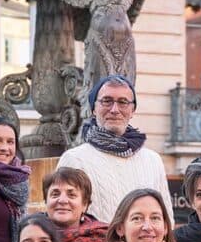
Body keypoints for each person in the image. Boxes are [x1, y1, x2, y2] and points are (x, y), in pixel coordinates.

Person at [57, 76, 174, 225]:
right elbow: (61, 221)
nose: (114, 110)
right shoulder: (74, 159)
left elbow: (166, 220)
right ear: (94, 109)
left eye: (123, 102)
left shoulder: (152, 160)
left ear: (132, 110)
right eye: (107, 101)